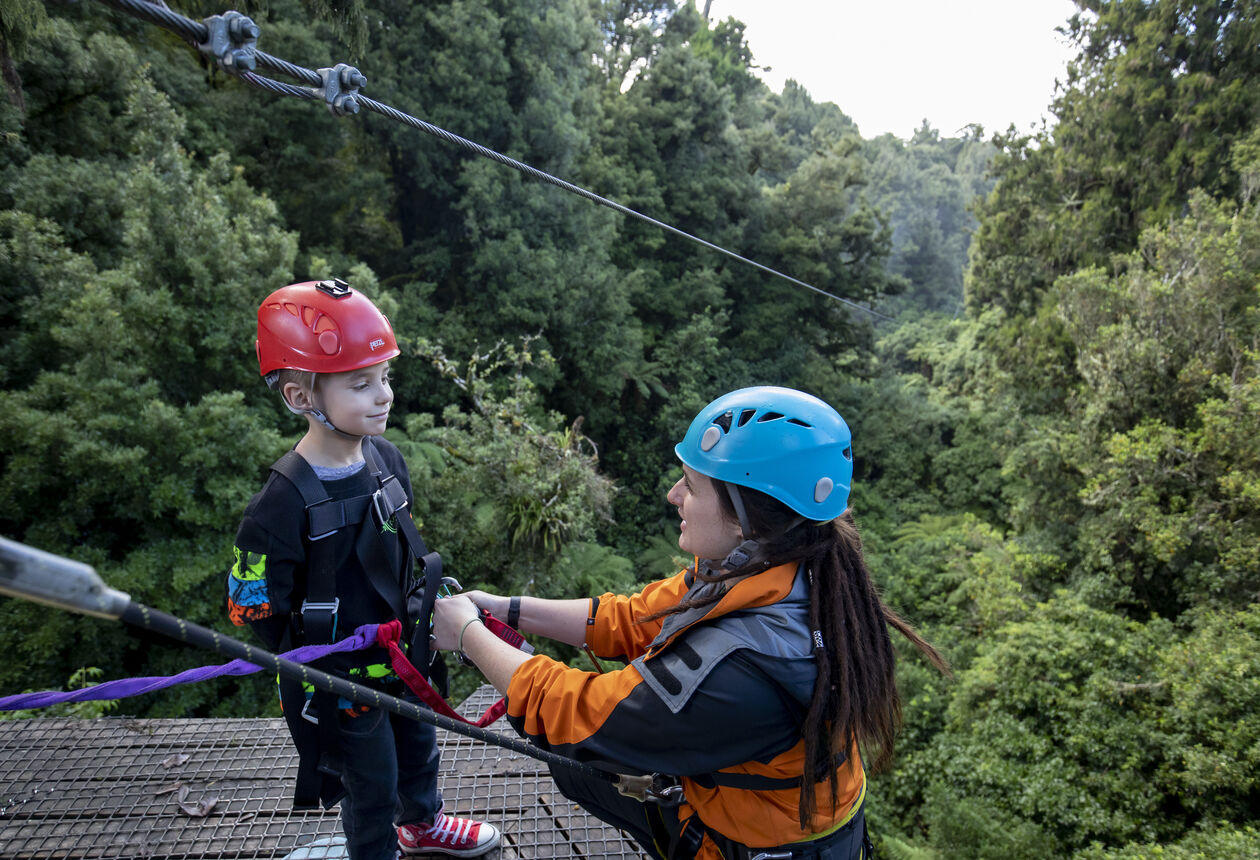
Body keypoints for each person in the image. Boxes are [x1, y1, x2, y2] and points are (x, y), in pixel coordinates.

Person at [431, 386, 948, 859]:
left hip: (753, 846)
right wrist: (505, 608)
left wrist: (469, 636)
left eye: (691, 486)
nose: (673, 496)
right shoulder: (785, 566)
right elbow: (635, 617)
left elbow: (582, 716)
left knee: (574, 756)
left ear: (747, 515)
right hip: (784, 817)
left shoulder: (745, 670)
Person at [226, 278, 501, 859]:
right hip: (341, 677)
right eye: (360, 383)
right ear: (302, 397)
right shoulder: (278, 506)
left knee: (420, 748)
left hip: (405, 656)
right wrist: (313, 656)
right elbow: (249, 602)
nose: (384, 396)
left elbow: (396, 553)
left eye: (384, 378)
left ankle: (422, 825)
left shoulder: (387, 461)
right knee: (369, 783)